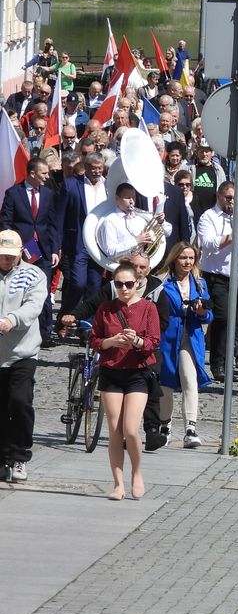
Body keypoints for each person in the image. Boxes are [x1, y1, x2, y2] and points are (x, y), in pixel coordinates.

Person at [90, 262, 161, 500]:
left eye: (128, 284)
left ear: (137, 284)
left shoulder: (148, 308)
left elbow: (153, 342)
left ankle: (137, 473)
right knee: (114, 430)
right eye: (118, 284)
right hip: (111, 371)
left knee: (131, 429)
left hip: (137, 372)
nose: (123, 288)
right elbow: (95, 339)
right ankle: (118, 484)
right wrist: (111, 341)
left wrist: (136, 341)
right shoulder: (105, 309)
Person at [197, 182, 238, 383]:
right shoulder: (209, 217)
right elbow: (210, 244)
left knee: (234, 320)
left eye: (235, 198)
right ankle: (218, 364)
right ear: (219, 196)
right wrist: (234, 234)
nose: (232, 202)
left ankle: (227, 362)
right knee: (222, 319)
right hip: (218, 278)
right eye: (228, 198)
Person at [0, 230, 46, 484]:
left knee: (19, 402)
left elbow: (33, 305)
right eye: (2, 256)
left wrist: (11, 320)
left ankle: (18, 457)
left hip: (23, 353)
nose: (6, 260)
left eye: (10, 256)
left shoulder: (33, 274)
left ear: (20, 252)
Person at [157, 242, 213, 448]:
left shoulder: (199, 283)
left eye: (191, 258)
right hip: (168, 335)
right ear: (174, 259)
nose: (187, 262)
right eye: (183, 258)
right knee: (166, 382)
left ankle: (190, 428)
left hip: (191, 335)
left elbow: (209, 314)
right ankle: (165, 426)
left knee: (190, 379)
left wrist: (202, 312)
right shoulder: (163, 282)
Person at [1, 157, 62, 342]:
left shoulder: (48, 194)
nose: (47, 176)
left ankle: (45, 333)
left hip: (42, 249)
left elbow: (52, 224)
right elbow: (5, 222)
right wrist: (13, 245)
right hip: (21, 249)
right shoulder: (14, 193)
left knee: (41, 289)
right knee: (19, 289)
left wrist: (54, 249)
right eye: (44, 173)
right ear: (33, 173)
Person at [58, 153, 109, 315]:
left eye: (99, 168)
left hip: (100, 245)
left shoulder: (109, 187)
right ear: (85, 167)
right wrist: (58, 245)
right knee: (78, 283)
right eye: (93, 168)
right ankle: (65, 314)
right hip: (79, 244)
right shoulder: (71, 185)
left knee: (94, 286)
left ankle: (86, 327)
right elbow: (60, 217)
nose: (96, 171)